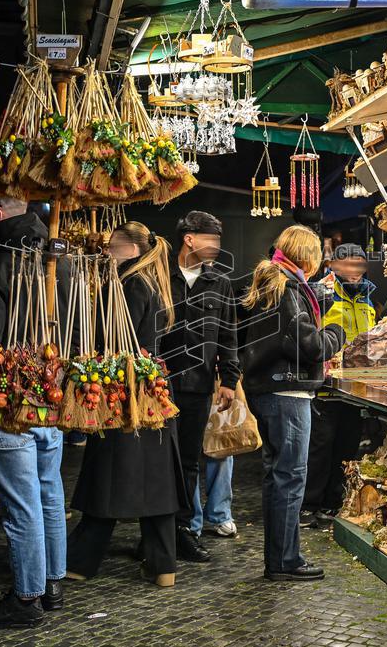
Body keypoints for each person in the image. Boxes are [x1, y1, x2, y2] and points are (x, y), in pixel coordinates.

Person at [0, 195, 69, 628]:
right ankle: (52, 583)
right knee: (49, 492)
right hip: (53, 392)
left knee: (23, 502)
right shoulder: (62, 262)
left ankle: (27, 599)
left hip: (8, 397)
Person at [66, 222, 187, 588]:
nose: (106, 249)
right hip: (151, 394)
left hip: (126, 395)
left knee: (109, 477)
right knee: (155, 483)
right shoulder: (150, 280)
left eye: (112, 244)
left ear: (131, 247)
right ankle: (163, 565)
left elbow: (115, 340)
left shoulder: (129, 284)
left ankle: (80, 561)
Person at [240, 225, 346, 581]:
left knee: (278, 478)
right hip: (286, 394)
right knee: (290, 478)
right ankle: (286, 561)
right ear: (308, 257)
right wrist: (336, 332)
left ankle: (280, 558)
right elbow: (310, 345)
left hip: (269, 392)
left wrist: (317, 297)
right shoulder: (287, 289)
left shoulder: (277, 282)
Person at [160, 211, 239, 562]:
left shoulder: (219, 282)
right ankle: (157, 532)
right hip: (158, 385)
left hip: (198, 384)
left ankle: (183, 531)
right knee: (159, 459)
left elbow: (228, 334)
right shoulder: (159, 276)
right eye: (211, 240)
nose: (217, 247)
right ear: (189, 238)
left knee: (189, 460)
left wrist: (230, 380)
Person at [301, 244, 376, 527]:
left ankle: (333, 503)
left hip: (357, 385)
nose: (354, 272)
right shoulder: (322, 292)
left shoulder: (368, 297)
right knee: (320, 445)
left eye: (359, 265)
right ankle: (308, 504)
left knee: (347, 444)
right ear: (333, 266)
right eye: (348, 265)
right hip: (327, 384)